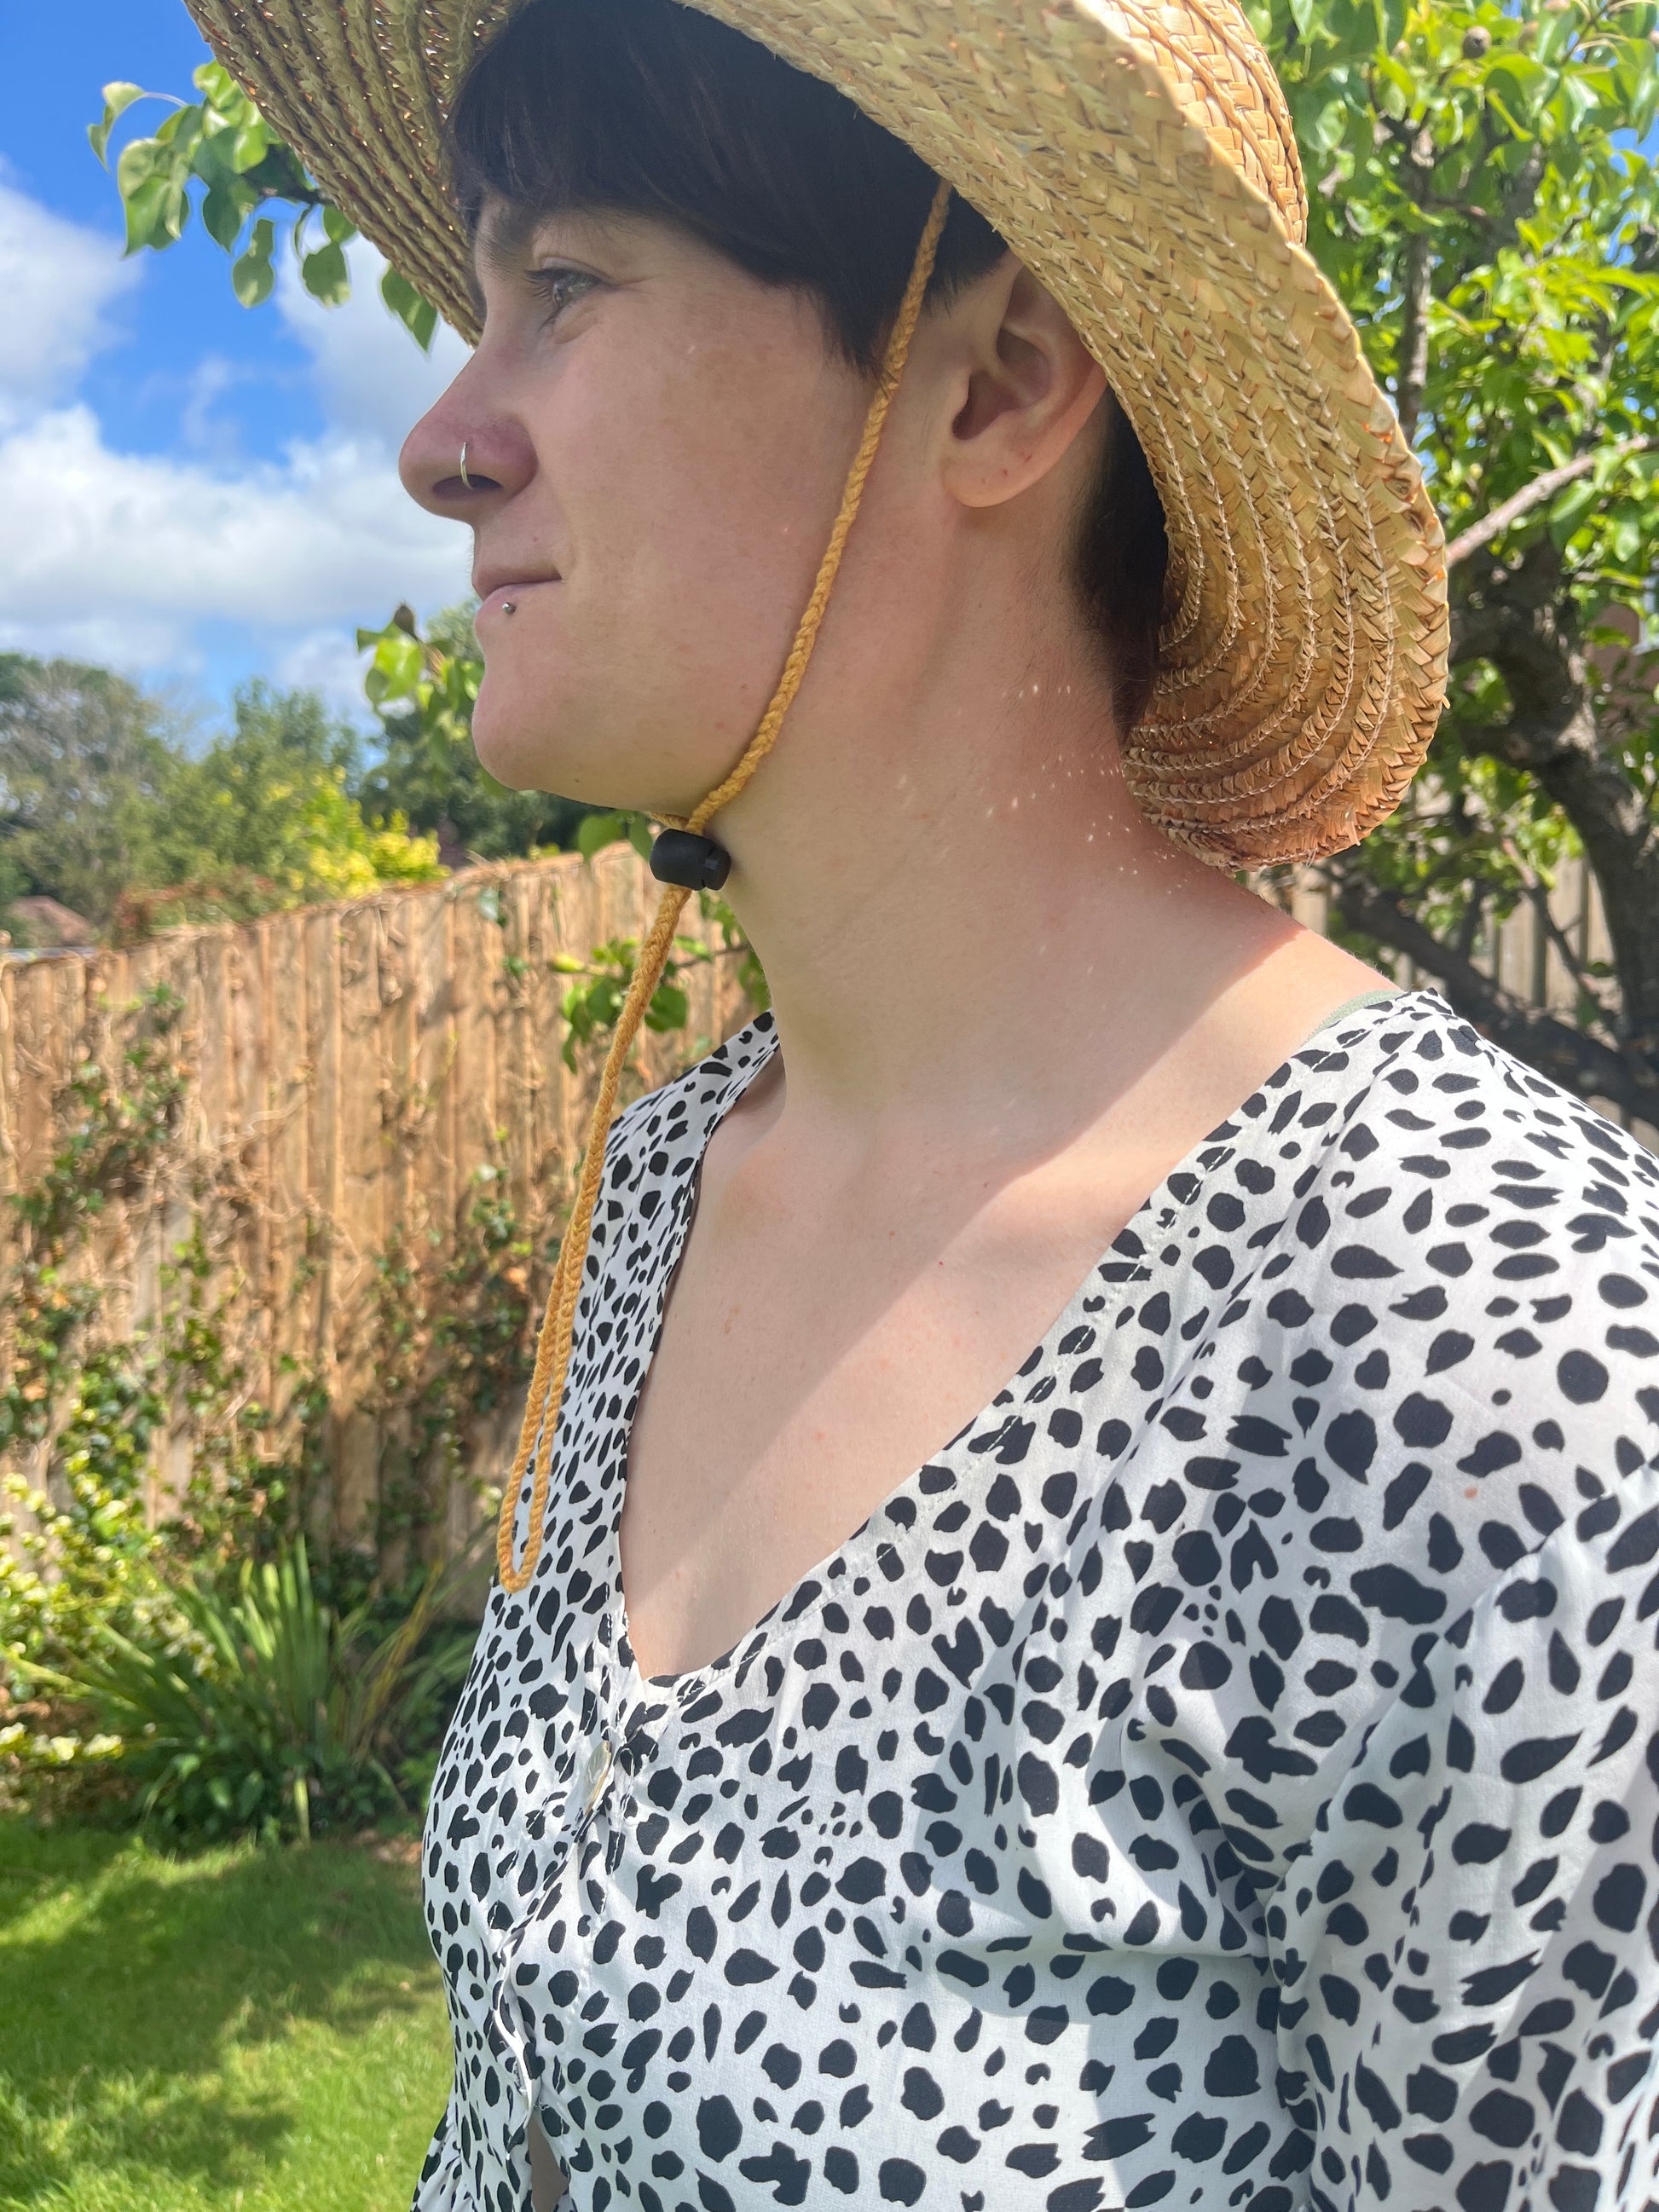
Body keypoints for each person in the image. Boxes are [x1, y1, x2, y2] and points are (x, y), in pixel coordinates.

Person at [188, 1, 1659, 2207]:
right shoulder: (680, 1173)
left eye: (562, 287)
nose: (441, 441)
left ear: (995, 381)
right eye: (466, 307)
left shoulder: (1495, 1362)